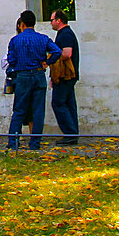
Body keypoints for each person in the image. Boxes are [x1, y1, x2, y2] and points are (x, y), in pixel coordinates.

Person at [5, 9, 58, 150]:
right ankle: (35, 143)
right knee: (38, 111)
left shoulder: (15, 40)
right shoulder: (43, 38)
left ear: (22, 23)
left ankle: (13, 142)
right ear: (34, 23)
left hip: (22, 76)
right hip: (38, 74)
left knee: (19, 109)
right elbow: (57, 51)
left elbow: (11, 60)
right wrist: (47, 61)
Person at [49, 9, 80, 145]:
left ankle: (70, 133)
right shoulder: (64, 33)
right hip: (66, 75)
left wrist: (52, 56)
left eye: (52, 20)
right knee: (69, 103)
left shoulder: (65, 34)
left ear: (58, 20)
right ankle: (72, 133)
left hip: (65, 75)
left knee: (58, 103)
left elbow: (67, 53)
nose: (51, 23)